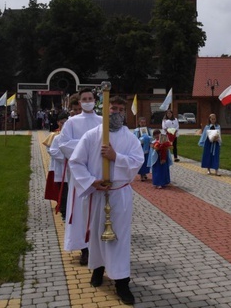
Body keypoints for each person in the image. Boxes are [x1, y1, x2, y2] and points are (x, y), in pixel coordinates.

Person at [68, 96, 144, 305]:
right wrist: (92, 182)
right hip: (96, 193)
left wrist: (115, 156)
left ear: (124, 112)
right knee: (96, 234)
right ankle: (98, 269)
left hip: (119, 194)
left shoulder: (130, 138)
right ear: (106, 110)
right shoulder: (92, 136)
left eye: (120, 109)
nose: (116, 112)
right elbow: (76, 162)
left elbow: (138, 161)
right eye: (113, 108)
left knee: (119, 238)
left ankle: (122, 281)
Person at [58, 88, 102, 266]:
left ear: (95, 100)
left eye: (90, 98)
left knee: (98, 211)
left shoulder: (101, 121)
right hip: (80, 173)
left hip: (99, 171)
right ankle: (84, 248)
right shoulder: (71, 122)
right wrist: (88, 146)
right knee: (80, 212)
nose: (87, 101)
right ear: (79, 102)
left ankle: (98, 248)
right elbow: (64, 144)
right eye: (84, 99)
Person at [134, 117, 152, 181]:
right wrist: (141, 140)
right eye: (141, 122)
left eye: (144, 122)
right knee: (141, 161)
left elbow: (152, 138)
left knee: (146, 161)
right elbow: (135, 139)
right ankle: (141, 174)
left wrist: (148, 138)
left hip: (147, 147)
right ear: (139, 123)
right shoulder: (137, 130)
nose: (143, 124)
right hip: (140, 148)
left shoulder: (148, 130)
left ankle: (145, 173)